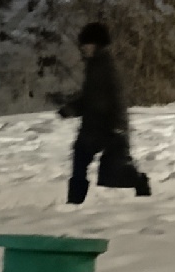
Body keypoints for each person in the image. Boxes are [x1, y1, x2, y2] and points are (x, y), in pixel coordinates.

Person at [60, 21, 150, 204]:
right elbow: (89, 98)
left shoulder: (108, 67)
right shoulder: (93, 66)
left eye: (86, 44)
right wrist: (71, 109)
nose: (83, 48)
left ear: (96, 44)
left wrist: (119, 128)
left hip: (107, 128)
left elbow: (118, 99)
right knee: (79, 162)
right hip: (92, 127)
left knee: (114, 171)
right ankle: (73, 203)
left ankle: (140, 182)